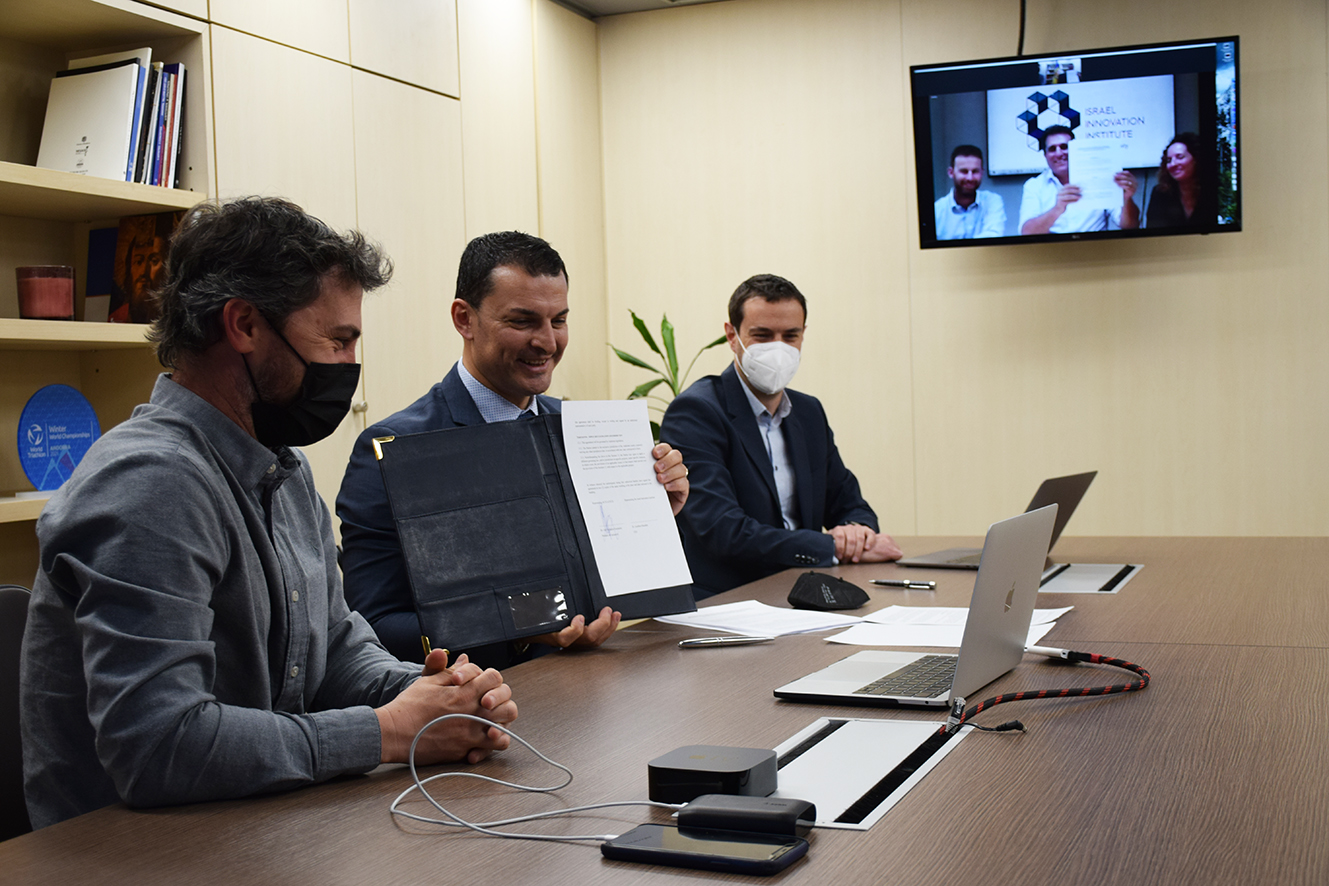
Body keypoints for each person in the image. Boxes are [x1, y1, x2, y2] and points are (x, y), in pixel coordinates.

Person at [20, 197, 517, 829]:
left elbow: (334, 649)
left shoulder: (281, 468)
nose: (348, 369)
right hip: (129, 854)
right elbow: (160, 747)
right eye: (337, 341)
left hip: (253, 825)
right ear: (244, 325)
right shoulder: (150, 484)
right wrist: (389, 731)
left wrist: (432, 696)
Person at [336, 231, 689, 667]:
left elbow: (610, 587)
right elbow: (374, 627)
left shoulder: (579, 432)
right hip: (479, 696)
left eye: (559, 320)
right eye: (523, 321)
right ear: (464, 319)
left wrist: (654, 514)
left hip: (596, 681)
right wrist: (527, 626)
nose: (548, 342)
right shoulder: (395, 450)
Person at [658, 274, 900, 597]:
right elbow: (725, 532)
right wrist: (832, 547)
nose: (778, 348)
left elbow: (851, 504)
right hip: (727, 601)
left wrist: (856, 534)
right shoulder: (696, 412)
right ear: (732, 336)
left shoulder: (809, 412)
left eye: (790, 336)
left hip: (807, 594)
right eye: (762, 335)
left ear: (803, 336)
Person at [1018, 125, 1140, 234]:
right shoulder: (1034, 185)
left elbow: (1130, 226)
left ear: (1075, 149)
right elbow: (1027, 232)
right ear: (1045, 155)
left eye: (1064, 147)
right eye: (1052, 149)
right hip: (1052, 249)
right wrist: (1058, 209)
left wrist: (1127, 199)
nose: (1059, 153)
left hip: (1096, 247)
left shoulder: (1101, 177)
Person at [1145, 132, 1217, 228]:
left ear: (1196, 159)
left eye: (1180, 157)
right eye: (1169, 160)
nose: (1173, 164)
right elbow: (1154, 232)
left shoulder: (1214, 191)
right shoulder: (1160, 193)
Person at [934, 145, 1007, 239]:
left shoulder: (992, 201)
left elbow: (993, 237)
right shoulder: (937, 210)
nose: (970, 178)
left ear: (982, 173)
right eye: (964, 171)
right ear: (951, 173)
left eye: (975, 171)